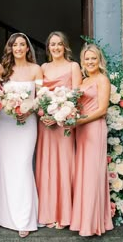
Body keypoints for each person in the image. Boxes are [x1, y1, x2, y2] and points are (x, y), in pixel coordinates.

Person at [0, 33, 43, 238]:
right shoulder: (2, 69)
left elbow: (41, 98)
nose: (18, 48)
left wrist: (28, 109)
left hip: (27, 123)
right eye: (14, 45)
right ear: (10, 48)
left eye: (22, 44)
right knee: (6, 167)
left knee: (23, 166)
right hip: (6, 124)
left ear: (27, 48)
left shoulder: (36, 69)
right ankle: (4, 216)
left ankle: (25, 219)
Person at [35, 31, 82, 229]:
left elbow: (77, 96)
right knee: (46, 167)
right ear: (48, 48)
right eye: (52, 44)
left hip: (64, 124)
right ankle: (47, 213)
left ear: (65, 47)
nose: (56, 48)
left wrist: (61, 115)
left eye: (59, 44)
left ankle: (65, 215)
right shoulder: (42, 67)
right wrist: (42, 114)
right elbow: (38, 96)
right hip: (46, 125)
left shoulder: (73, 66)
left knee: (65, 165)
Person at [70, 43, 114, 236]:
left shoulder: (102, 80)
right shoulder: (83, 82)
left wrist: (80, 120)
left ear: (99, 60)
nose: (90, 62)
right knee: (83, 174)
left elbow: (102, 109)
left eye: (93, 58)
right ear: (82, 61)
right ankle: (82, 220)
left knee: (92, 174)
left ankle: (92, 224)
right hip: (81, 131)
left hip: (94, 128)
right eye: (86, 59)